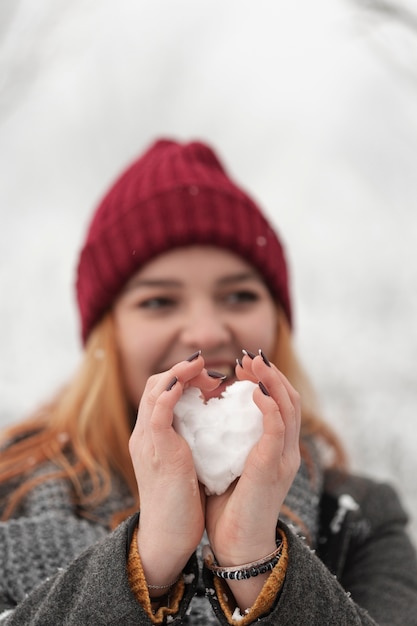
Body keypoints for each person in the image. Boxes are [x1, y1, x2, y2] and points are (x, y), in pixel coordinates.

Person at [0, 139, 416, 626]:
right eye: (158, 301)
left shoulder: (359, 519)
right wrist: (147, 561)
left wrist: (253, 564)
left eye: (239, 295)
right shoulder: (9, 499)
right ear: (106, 336)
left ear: (277, 322)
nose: (207, 332)